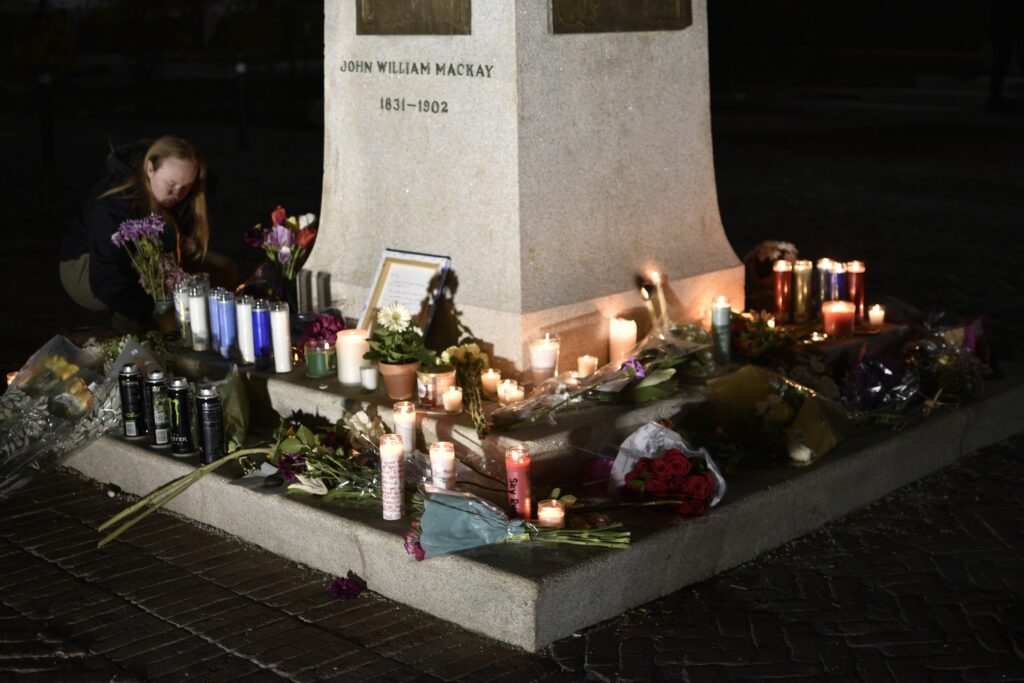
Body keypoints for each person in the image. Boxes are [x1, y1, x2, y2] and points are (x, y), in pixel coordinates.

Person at [59, 136, 237, 331]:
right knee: (146, 280)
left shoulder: (183, 189)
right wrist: (153, 317)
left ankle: (207, 330)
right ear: (150, 168)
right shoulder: (116, 204)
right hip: (86, 267)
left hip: (145, 257)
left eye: (186, 188)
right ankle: (134, 345)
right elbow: (108, 279)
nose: (177, 194)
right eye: (171, 184)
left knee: (221, 268)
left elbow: (176, 234)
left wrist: (184, 241)